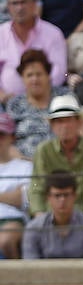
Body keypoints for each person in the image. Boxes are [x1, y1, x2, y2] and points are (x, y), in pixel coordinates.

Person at [28, 94, 83, 216]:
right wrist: (40, 218)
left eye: (69, 120)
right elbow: (36, 187)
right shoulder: (44, 150)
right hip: (52, 217)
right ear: (52, 126)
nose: (65, 126)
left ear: (79, 122)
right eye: (59, 121)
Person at [1, 0, 68, 101]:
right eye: (15, 3)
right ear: (8, 7)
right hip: (4, 103)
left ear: (34, 4)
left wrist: (34, 97)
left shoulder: (53, 34)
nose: (19, 8)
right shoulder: (1, 34)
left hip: (46, 101)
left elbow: (59, 74)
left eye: (24, 2)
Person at [25, 169, 83, 257]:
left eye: (66, 195)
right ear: (48, 197)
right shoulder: (34, 228)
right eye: (57, 195)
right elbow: (30, 266)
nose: (62, 200)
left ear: (75, 196)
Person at [6, 49, 67, 158]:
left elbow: (80, 131)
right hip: (24, 166)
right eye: (29, 75)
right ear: (22, 78)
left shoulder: (64, 97)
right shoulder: (14, 105)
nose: (35, 79)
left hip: (62, 162)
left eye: (39, 74)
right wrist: (24, 161)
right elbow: (6, 143)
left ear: (48, 76)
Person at [0, 108, 30, 257]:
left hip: (13, 219)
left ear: (12, 138)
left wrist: (15, 196)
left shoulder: (26, 167)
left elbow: (23, 199)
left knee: (6, 240)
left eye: (1, 135)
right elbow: (16, 196)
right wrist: (9, 195)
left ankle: (17, 279)